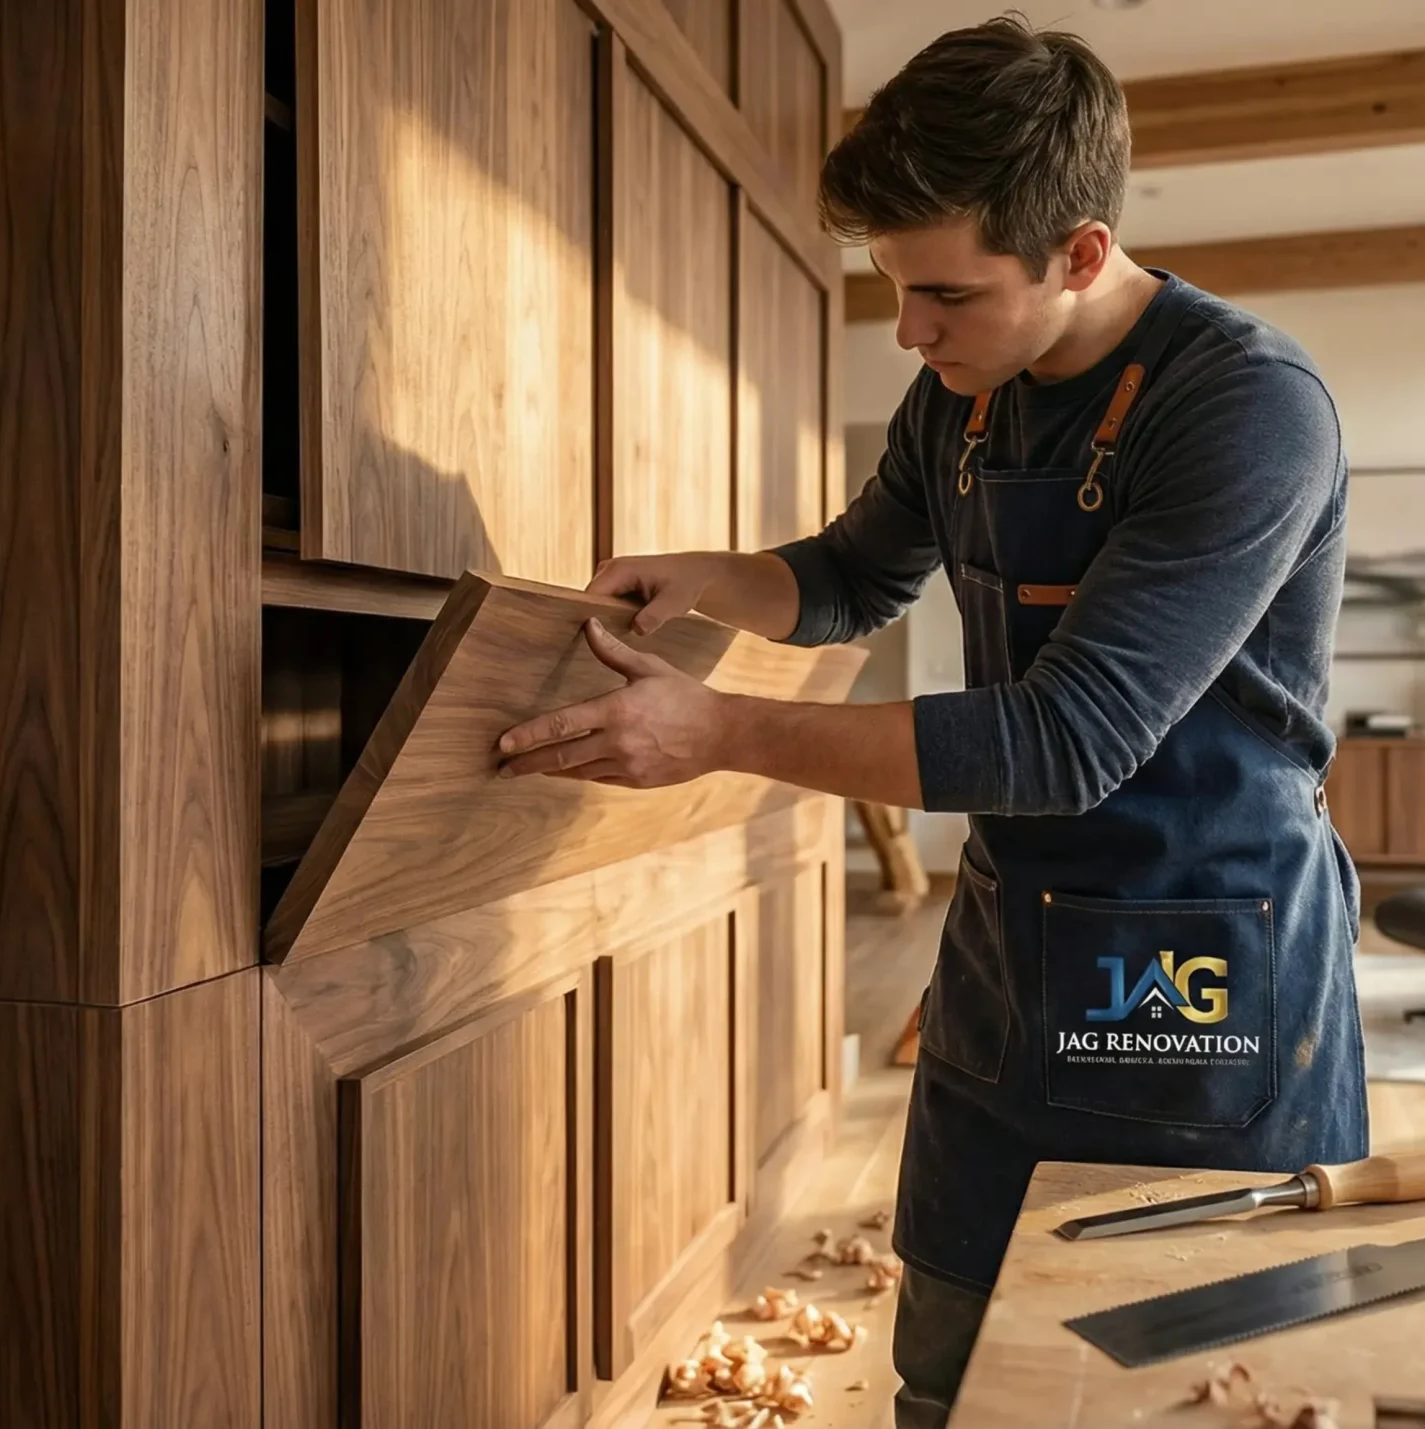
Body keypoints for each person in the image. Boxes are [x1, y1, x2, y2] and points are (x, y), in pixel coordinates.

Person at [494, 16, 1367, 1424]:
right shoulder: (958, 396)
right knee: (947, 1358)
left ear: (1079, 255)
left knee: (1179, 1377)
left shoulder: (1248, 410)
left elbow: (1063, 739)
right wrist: (701, 582)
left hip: (1198, 953)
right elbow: (850, 578)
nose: (908, 331)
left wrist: (719, 732)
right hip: (1011, 943)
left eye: (945, 295)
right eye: (893, 289)